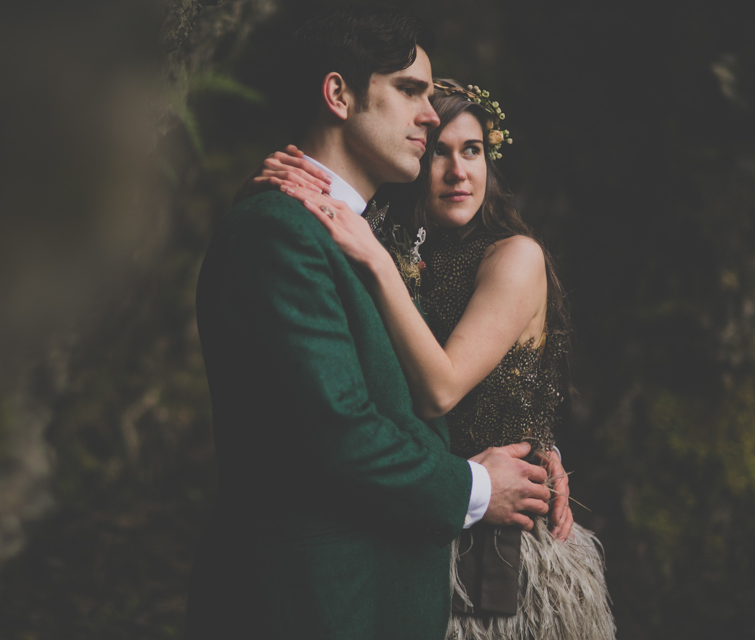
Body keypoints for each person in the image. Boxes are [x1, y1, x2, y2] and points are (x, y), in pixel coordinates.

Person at [186, 9, 556, 640]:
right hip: (320, 603)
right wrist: (475, 486)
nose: (431, 115)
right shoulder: (281, 230)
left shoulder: (355, 232)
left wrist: (533, 441)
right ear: (338, 94)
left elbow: (419, 393)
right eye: (409, 90)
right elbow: (337, 430)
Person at [257, 79, 615, 639]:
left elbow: (441, 390)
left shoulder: (514, 257)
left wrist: (373, 257)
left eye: (472, 150)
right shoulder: (397, 247)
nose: (458, 172)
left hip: (499, 549)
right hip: (416, 520)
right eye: (440, 152)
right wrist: (299, 183)